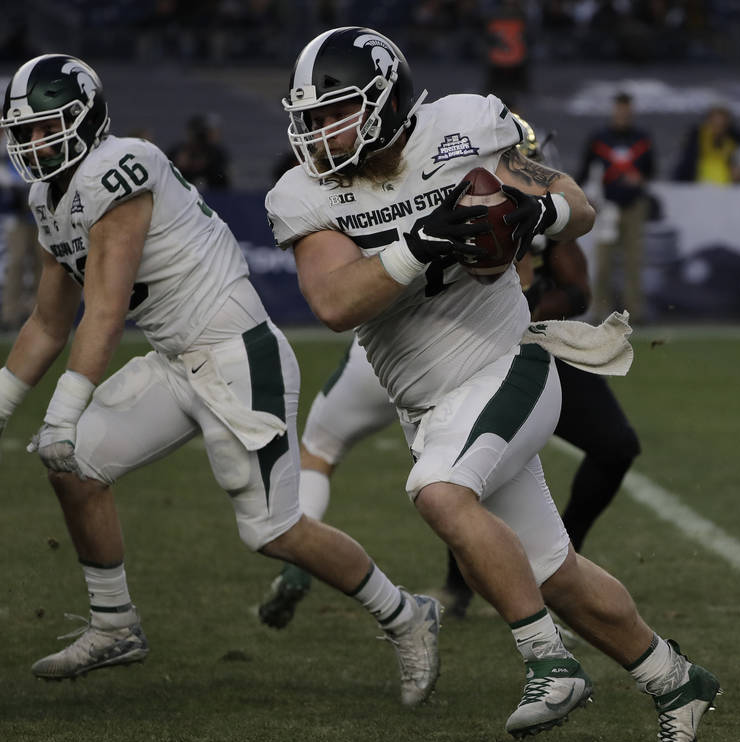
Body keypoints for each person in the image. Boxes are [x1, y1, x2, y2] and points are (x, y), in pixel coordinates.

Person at [265, 27, 717, 742]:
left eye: (335, 111)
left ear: (383, 101)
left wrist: (537, 214)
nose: (318, 132)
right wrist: (423, 239)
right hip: (429, 402)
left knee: (438, 492)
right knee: (553, 571)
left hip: (506, 360)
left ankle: (548, 663)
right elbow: (334, 303)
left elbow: (577, 203)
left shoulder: (463, 128)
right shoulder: (303, 193)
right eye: (310, 117)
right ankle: (677, 681)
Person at [0, 54, 441, 701]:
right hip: (177, 361)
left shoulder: (121, 165)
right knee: (72, 467)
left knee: (274, 530)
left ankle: (407, 615)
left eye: (49, 127)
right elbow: (45, 322)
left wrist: (64, 409)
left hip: (237, 354)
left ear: (87, 119)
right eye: (26, 132)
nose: (36, 144)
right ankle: (115, 623)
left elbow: (108, 307)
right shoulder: (47, 197)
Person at [258, 115, 641, 625]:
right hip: (437, 350)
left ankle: (312, 554)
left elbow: (574, 279)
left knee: (345, 454)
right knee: (459, 471)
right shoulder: (451, 177)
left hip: (450, 346)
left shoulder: (504, 187)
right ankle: (511, 601)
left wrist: (535, 234)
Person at [578, 91, 655, 322]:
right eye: (619, 109)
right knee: (603, 262)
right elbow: (584, 170)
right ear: (614, 110)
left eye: (626, 110)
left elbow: (651, 170)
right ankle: (601, 311)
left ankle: (635, 312)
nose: (622, 114)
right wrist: (584, 196)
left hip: (633, 206)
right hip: (606, 207)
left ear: (631, 111)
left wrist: (640, 179)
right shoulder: (599, 138)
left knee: (634, 261)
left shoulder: (642, 138)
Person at [1, 147, 40, 329]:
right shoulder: (8, 151)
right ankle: (10, 314)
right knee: (15, 264)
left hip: (41, 216)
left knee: (43, 267)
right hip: (18, 218)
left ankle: (40, 313)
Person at [671, 104, 740, 185]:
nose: (718, 125)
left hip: (728, 188)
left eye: (722, 123)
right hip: (698, 185)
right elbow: (683, 166)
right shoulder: (695, 138)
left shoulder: (738, 141)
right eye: (714, 121)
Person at [167, 114, 231, 190]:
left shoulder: (216, 154)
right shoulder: (178, 152)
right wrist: (179, 167)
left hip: (212, 195)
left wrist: (206, 165)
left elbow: (223, 181)